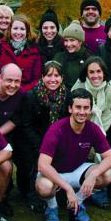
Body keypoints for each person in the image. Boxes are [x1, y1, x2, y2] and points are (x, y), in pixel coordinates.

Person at [36, 88, 111, 221]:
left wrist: (93, 175)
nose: (82, 112)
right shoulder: (57, 129)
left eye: (86, 108)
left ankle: (77, 204)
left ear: (91, 109)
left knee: (107, 175)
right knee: (44, 187)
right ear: (70, 109)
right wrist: (67, 188)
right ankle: (52, 206)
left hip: (77, 169)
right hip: (55, 173)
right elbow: (42, 165)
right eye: (78, 107)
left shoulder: (93, 129)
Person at [11, 61, 67, 209]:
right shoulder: (32, 95)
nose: (53, 79)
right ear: (42, 77)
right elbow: (26, 124)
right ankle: (32, 196)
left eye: (56, 75)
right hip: (32, 139)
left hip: (56, 140)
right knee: (32, 165)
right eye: (49, 75)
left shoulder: (65, 96)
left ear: (62, 78)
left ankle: (57, 191)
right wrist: (41, 145)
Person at [72, 56, 111, 208]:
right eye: (91, 72)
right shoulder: (79, 86)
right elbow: (74, 113)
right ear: (86, 73)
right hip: (79, 129)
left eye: (99, 71)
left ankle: (98, 192)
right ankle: (75, 189)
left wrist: (94, 137)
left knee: (101, 159)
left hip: (100, 130)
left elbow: (108, 117)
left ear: (104, 72)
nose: (95, 75)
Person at [0, 14, 41, 91]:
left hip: (23, 93)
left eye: (22, 29)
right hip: (0, 89)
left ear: (27, 31)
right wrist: (1, 84)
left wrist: (22, 91)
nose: (18, 32)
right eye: (15, 28)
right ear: (10, 29)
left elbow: (36, 79)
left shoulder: (34, 50)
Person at [53, 21, 92, 90]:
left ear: (80, 42)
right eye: (66, 40)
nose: (68, 44)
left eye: (72, 40)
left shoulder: (89, 58)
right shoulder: (59, 57)